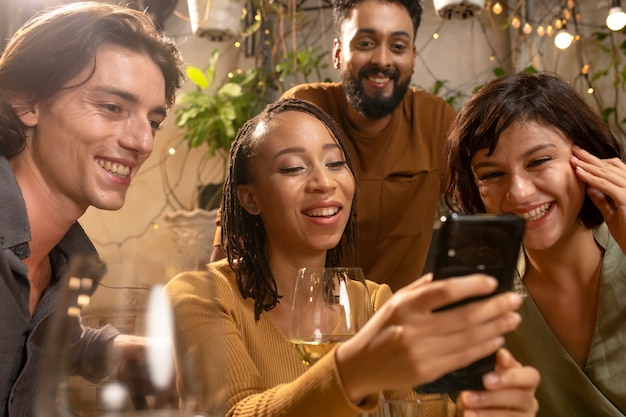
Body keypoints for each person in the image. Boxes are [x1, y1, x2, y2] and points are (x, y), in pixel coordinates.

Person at [166, 98, 540, 417]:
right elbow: (234, 411)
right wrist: (354, 368)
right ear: (250, 199)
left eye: (334, 163)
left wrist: (482, 407)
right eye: (294, 167)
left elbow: (421, 411)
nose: (324, 182)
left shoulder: (374, 302)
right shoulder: (200, 293)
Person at [0, 3, 184, 416]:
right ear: (26, 102)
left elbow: (26, 337)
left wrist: (111, 349)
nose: (142, 142)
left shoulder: (60, 260)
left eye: (152, 121)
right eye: (112, 108)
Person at [211, 0, 455, 292]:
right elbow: (240, 218)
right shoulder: (304, 112)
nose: (382, 59)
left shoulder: (436, 120)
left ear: (413, 57)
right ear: (339, 53)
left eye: (398, 46)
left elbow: (483, 205)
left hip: (396, 321)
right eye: (365, 43)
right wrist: (217, 299)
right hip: (305, 314)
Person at [443, 72, 626, 416]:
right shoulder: (481, 300)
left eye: (539, 161)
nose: (519, 193)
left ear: (588, 160)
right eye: (492, 174)